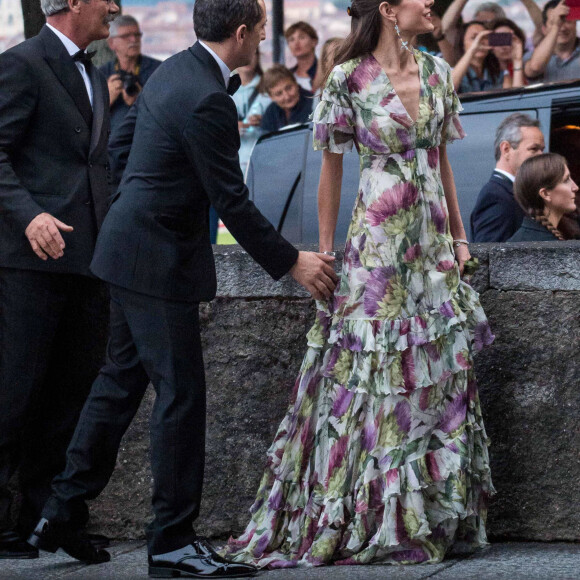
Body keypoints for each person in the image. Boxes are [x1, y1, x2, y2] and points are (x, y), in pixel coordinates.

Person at [29, 0, 338, 576]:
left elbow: (123, 150)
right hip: (155, 262)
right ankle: (171, 541)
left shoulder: (173, 70)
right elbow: (232, 201)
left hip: (129, 250)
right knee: (181, 395)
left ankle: (61, 509)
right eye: (262, 30)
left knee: (120, 383)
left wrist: (128, 215)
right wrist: (292, 261)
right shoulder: (206, 98)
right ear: (243, 34)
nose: (262, 38)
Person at [224, 0, 494, 568]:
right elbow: (331, 168)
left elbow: (442, 162)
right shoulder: (347, 78)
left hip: (431, 247)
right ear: (389, 10)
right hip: (376, 245)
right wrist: (324, 254)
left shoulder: (439, 72)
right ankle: (371, 516)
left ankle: (426, 517)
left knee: (433, 377)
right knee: (372, 380)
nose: (431, 4)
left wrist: (460, 238)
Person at [0, 0, 119, 560]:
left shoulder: (95, 71)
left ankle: (41, 521)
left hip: (87, 262)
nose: (116, 7)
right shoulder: (23, 62)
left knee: (70, 397)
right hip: (29, 264)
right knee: (15, 393)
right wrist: (29, 215)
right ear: (74, 2)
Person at [471, 113, 545, 242]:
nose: (541, 156)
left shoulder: (509, 193)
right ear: (506, 149)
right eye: (534, 149)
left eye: (542, 150)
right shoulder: (496, 197)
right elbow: (488, 258)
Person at [100, 15, 161, 137]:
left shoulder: (158, 70)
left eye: (137, 35)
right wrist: (105, 100)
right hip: (110, 146)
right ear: (111, 43)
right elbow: (86, 118)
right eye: (126, 36)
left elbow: (167, 113)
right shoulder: (101, 74)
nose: (134, 40)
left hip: (146, 139)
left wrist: (140, 101)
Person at [508, 153, 578, 241]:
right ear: (545, 194)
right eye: (566, 180)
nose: (575, 187)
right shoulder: (548, 246)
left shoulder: (522, 238)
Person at [524, 0, 580, 83]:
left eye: (567, 21)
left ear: (575, 24)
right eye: (553, 22)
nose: (562, 28)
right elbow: (535, 68)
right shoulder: (531, 56)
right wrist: (556, 26)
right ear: (544, 29)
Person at [452, 20, 502, 94]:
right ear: (462, 44)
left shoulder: (497, 72)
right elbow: (447, 90)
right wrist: (472, 49)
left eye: (485, 37)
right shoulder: (454, 71)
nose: (480, 42)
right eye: (474, 38)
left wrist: (517, 60)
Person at [260, 65, 313, 133]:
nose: (287, 96)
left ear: (296, 83)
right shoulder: (271, 111)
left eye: (289, 88)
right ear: (271, 97)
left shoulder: (313, 103)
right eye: (279, 93)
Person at [234, 48, 271, 128]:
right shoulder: (224, 89)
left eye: (251, 53)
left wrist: (265, 120)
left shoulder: (269, 86)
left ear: (257, 57)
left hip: (263, 139)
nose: (247, 58)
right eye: (241, 54)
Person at [491, 18, 526, 89]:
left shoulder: (527, 64)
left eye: (507, 39)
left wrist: (517, 61)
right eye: (497, 40)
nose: (504, 47)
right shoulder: (487, 75)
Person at [285, 21, 319, 91]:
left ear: (314, 42)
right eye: (291, 39)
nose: (296, 43)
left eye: (301, 37)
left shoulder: (324, 72)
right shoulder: (287, 76)